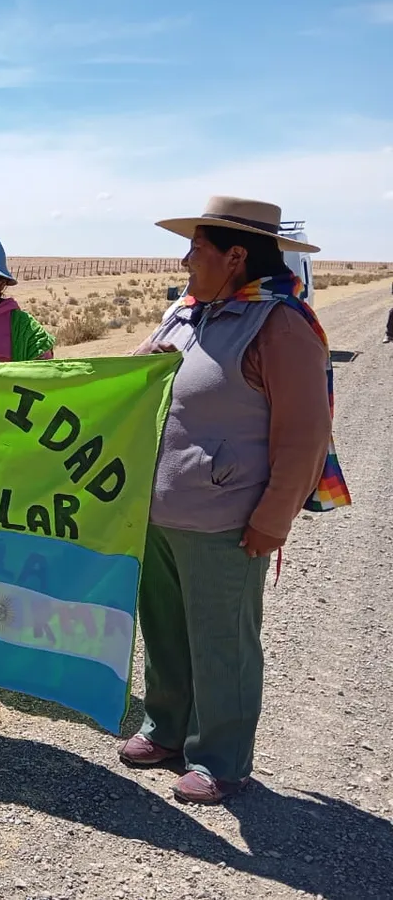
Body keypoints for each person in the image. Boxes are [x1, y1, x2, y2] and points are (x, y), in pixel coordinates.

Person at [120, 197, 344, 804]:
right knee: (165, 631)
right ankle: (166, 729)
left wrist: (272, 520)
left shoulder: (279, 325)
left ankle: (221, 758)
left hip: (227, 521)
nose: (186, 259)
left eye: (197, 249)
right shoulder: (185, 315)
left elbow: (305, 435)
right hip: (158, 513)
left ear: (235, 256)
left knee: (222, 640)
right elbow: (125, 381)